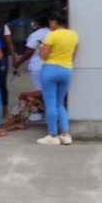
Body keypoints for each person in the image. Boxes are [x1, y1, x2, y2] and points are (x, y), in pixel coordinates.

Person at [37, 10, 79, 146]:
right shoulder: (74, 35)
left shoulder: (51, 35)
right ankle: (66, 135)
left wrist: (40, 48)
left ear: (54, 22)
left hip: (49, 70)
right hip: (66, 70)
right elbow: (73, 56)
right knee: (60, 103)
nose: (50, 24)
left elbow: (43, 56)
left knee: (50, 103)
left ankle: (52, 135)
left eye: (50, 22)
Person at [13, 12, 51, 123]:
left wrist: (18, 62)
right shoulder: (51, 33)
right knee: (46, 90)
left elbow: (29, 51)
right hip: (49, 65)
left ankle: (43, 114)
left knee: (40, 92)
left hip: (37, 66)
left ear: (38, 23)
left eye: (34, 21)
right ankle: (45, 113)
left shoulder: (36, 34)